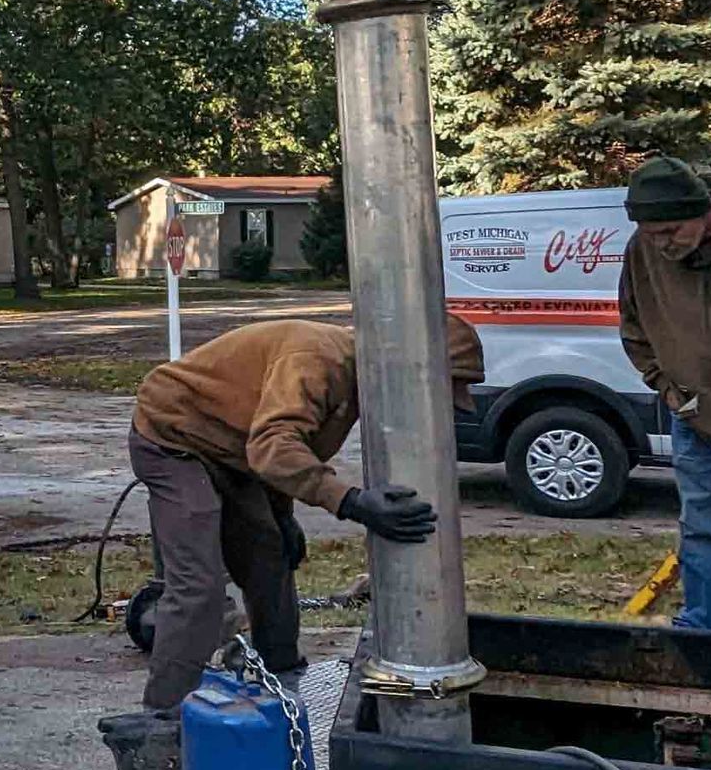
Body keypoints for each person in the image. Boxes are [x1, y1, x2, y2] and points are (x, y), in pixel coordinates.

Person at [125, 308, 486, 721]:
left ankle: (280, 676)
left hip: (232, 451)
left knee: (270, 556)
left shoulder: (354, 382)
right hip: (173, 438)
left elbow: (281, 445)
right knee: (198, 588)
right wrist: (350, 501)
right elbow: (272, 446)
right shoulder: (318, 361)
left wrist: (282, 515)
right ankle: (163, 716)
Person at [618, 152, 711, 633]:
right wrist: (666, 388)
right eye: (650, 233)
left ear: (705, 211)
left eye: (671, 232)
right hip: (696, 419)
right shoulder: (642, 251)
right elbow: (633, 325)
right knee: (703, 530)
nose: (661, 244)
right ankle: (703, 636)